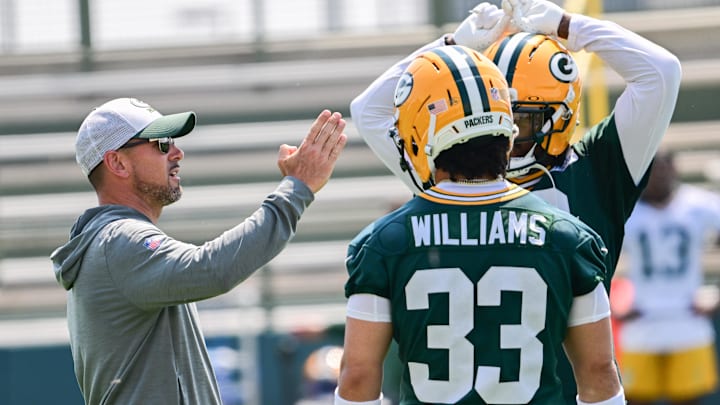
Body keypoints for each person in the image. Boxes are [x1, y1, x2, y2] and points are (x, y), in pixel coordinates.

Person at [349, 0, 682, 402]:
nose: (509, 133)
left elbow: (370, 111)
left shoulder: (443, 177)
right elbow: (660, 73)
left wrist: (452, 49)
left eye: (521, 120)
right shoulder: (463, 174)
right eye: (498, 113)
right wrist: (568, 29)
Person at [49, 97, 347, 405]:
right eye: (161, 144)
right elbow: (212, 269)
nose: (177, 153)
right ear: (117, 163)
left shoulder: (111, 241)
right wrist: (296, 188)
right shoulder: (119, 241)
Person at [618, 150, 720, 405]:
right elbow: (594, 258)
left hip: (687, 319)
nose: (659, 177)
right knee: (636, 398)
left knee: (688, 399)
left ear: (675, 170)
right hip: (641, 321)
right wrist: (614, 302)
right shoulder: (626, 212)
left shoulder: (698, 204)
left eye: (664, 169)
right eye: (653, 171)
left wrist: (716, 297)